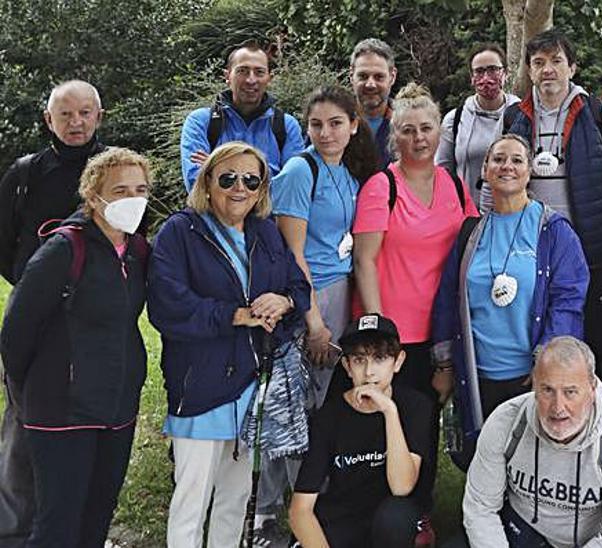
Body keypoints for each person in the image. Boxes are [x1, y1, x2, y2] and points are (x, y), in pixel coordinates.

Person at [148, 142, 309, 547]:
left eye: (252, 180)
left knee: (235, 498)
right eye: (228, 177)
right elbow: (168, 305)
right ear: (208, 181)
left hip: (252, 387)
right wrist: (235, 315)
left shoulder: (265, 231)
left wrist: (284, 301)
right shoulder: (180, 232)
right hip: (201, 385)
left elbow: (298, 286)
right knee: (192, 498)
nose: (240, 188)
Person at [0, 148, 151, 547]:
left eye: (140, 189)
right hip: (62, 410)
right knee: (58, 523)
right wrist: (40, 385)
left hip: (117, 407)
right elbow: (16, 332)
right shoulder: (64, 249)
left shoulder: (136, 251)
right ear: (93, 195)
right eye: (119, 190)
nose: (132, 199)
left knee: (98, 513)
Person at [256, 85, 380, 539]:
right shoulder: (298, 170)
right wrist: (314, 321)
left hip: (339, 291)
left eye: (334, 123)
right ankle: (269, 512)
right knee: (290, 406)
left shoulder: (346, 171)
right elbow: (294, 254)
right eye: (316, 124)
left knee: (316, 404)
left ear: (352, 126)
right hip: (307, 298)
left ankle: (305, 501)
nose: (325, 133)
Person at [499, 30, 602, 398]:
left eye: (556, 61)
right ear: (529, 71)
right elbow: (495, 181)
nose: (547, 70)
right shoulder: (514, 117)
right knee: (540, 344)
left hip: (591, 253)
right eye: (539, 63)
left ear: (572, 67)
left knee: (595, 348)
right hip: (529, 255)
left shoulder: (598, 116)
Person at [0, 79, 106, 547]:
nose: (76, 122)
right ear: (49, 120)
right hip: (36, 324)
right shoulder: (24, 175)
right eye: (65, 114)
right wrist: (35, 289)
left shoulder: (115, 171)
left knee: (89, 433)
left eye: (85, 113)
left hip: (97, 324)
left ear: (98, 117)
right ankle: (13, 529)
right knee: (23, 427)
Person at [432, 134, 589, 451]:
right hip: (478, 375)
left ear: (530, 171)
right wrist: (445, 364)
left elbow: (568, 300)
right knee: (485, 457)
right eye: (499, 159)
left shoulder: (552, 230)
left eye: (517, 160)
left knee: (532, 459)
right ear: (486, 170)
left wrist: (547, 360)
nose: (507, 166)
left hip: (529, 376)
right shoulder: (469, 232)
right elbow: (449, 299)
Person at [461, 336, 602, 547]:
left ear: (592, 389)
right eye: (547, 390)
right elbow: (481, 507)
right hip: (520, 533)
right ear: (534, 387)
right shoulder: (505, 422)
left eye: (570, 392)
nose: (558, 408)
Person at [355, 82, 478, 398]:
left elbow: (472, 247)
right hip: (395, 334)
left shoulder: (454, 184)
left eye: (426, 128)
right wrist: (378, 332)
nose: (419, 138)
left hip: (440, 329)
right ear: (395, 137)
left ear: (440, 131)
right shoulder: (381, 187)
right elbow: (363, 260)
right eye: (408, 130)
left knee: (425, 427)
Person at [289, 314, 438, 548]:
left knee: (395, 518)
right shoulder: (329, 416)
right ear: (347, 367)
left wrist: (390, 411)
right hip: (344, 513)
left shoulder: (416, 406)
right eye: (359, 360)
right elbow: (300, 509)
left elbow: (402, 486)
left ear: (398, 362)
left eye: (380, 358)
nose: (369, 372)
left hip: (393, 513)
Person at [180, 41, 305, 190]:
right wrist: (266, 179)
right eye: (242, 71)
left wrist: (219, 169)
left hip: (271, 215)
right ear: (227, 76)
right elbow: (196, 184)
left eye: (259, 72)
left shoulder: (286, 125)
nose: (251, 80)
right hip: (214, 215)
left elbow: (293, 187)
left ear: (269, 79)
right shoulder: (200, 122)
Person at [438, 43, 520, 199]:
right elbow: (442, 172)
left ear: (506, 73)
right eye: (479, 71)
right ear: (471, 77)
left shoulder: (521, 116)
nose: (486, 78)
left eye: (493, 70)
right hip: (467, 213)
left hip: (513, 210)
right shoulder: (454, 120)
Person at [350, 38, 399, 169]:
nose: (370, 84)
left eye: (379, 77)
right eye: (363, 76)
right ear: (351, 76)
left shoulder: (406, 124)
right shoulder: (333, 123)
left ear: (392, 77)